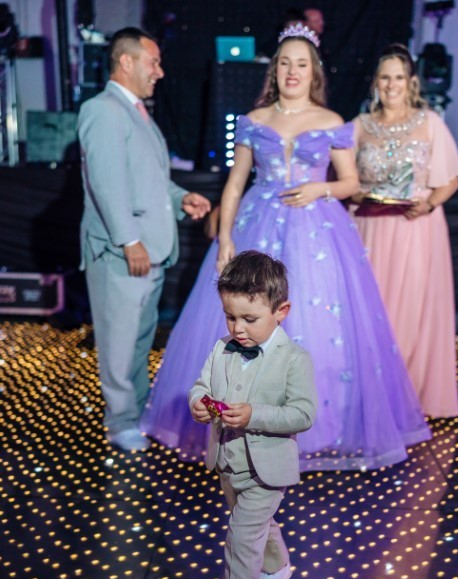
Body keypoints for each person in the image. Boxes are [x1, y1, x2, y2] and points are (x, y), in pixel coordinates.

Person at [141, 23, 430, 471]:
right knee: (246, 319)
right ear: (274, 70)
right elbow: (235, 184)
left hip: (318, 232)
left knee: (320, 323)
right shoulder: (255, 120)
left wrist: (320, 189)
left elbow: (351, 182)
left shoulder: (330, 121)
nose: (292, 71)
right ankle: (244, 420)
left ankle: (315, 426)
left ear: (313, 72)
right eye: (285, 64)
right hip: (259, 221)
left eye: (301, 64)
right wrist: (226, 237)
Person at [78, 27, 210, 451]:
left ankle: (135, 413)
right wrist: (128, 240)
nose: (160, 71)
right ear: (126, 61)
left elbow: (148, 181)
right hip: (123, 251)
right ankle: (120, 423)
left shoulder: (136, 112)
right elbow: (106, 183)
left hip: (149, 249)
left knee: (137, 340)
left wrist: (180, 198)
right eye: (153, 62)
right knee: (118, 343)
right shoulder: (103, 110)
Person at [190, 251, 317, 579]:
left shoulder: (294, 359)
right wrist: (198, 403)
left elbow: (303, 414)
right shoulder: (222, 348)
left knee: (242, 538)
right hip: (228, 462)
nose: (238, 328)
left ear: (281, 312)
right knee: (257, 525)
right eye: (230, 317)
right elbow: (201, 385)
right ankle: (277, 568)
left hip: (268, 469)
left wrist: (254, 415)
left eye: (249, 319)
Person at [350, 43, 458, 418]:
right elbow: (343, 178)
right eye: (385, 77)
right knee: (370, 312)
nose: (391, 84)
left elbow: (450, 179)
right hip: (368, 227)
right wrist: (358, 194)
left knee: (411, 313)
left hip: (417, 228)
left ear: (411, 82)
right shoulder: (359, 126)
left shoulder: (429, 122)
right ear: (375, 82)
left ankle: (408, 396)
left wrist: (429, 203)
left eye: (398, 77)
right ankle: (372, 396)